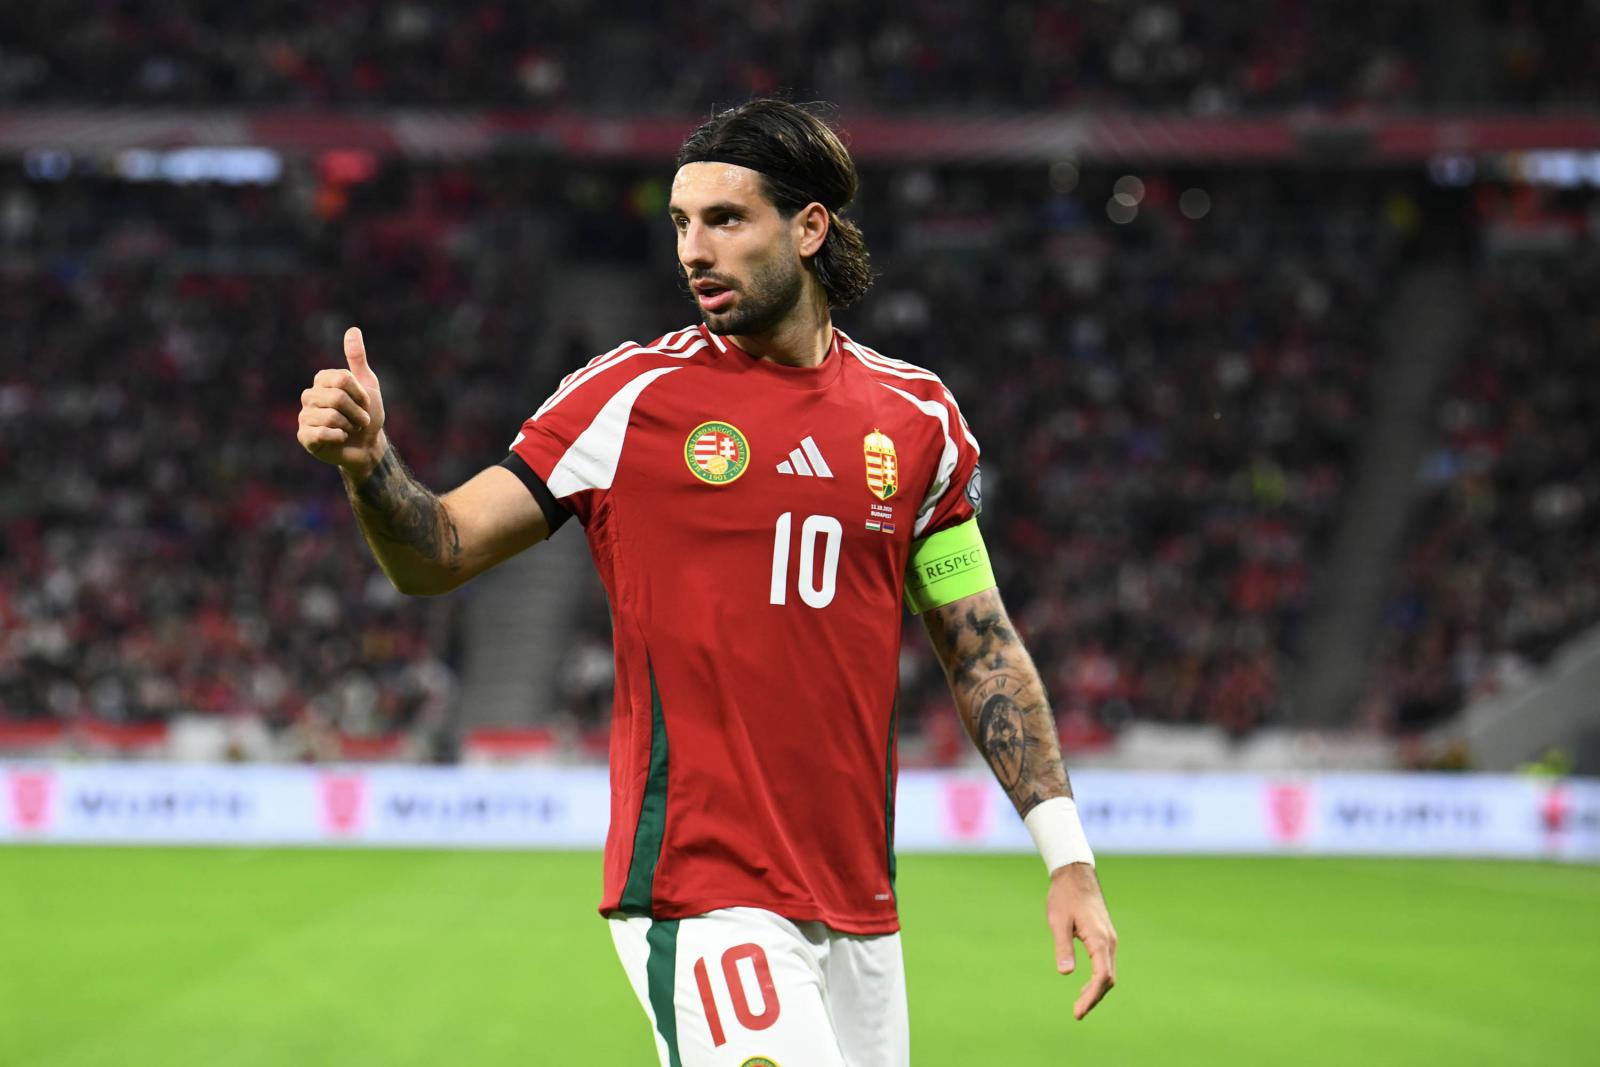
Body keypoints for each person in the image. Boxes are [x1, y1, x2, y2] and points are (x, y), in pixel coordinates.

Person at [296, 99, 1117, 1066]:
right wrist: (371, 465)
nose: (693, 249)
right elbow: (439, 548)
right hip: (701, 888)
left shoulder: (917, 420)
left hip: (859, 904)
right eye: (682, 222)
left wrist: (1068, 855)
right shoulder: (628, 396)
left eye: (725, 219)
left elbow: (980, 646)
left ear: (809, 228)